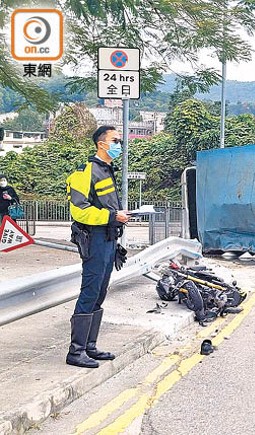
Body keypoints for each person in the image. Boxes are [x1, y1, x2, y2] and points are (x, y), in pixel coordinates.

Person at [65, 126, 131, 368]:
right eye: (115, 140)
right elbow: (79, 210)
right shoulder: (86, 172)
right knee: (90, 291)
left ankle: (90, 346)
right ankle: (76, 351)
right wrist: (112, 217)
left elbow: (106, 207)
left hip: (109, 239)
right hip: (94, 238)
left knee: (101, 291)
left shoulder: (106, 170)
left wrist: (118, 217)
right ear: (101, 144)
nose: (119, 145)